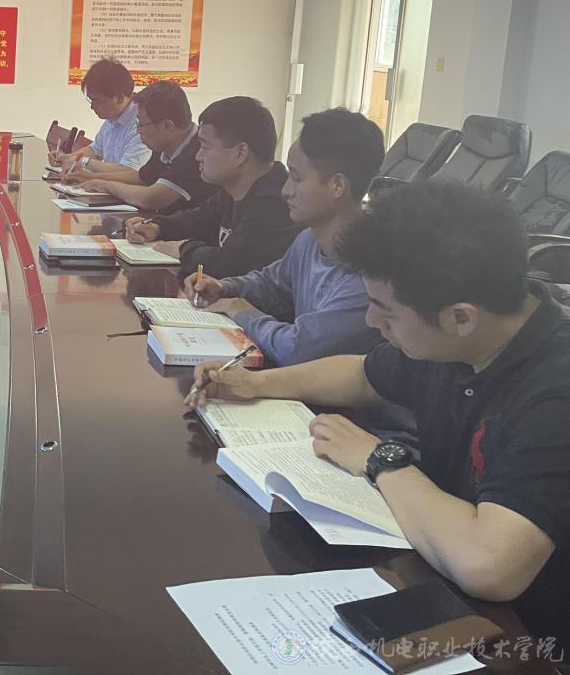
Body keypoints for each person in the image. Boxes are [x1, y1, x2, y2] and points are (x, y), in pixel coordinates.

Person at [185, 181, 570, 646]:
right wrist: (255, 383)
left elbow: (490, 566)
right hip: (445, 576)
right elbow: (362, 375)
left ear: (461, 318)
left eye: (384, 310)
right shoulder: (462, 335)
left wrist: (380, 459)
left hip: (530, 637)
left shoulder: (554, 391)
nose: (370, 321)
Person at [186, 108, 386, 365]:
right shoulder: (309, 239)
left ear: (337, 185)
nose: (285, 190)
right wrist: (225, 287)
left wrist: (241, 310)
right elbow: (272, 283)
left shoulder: (367, 274)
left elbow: (297, 349)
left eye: (297, 179)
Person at [122, 96, 300, 279]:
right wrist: (157, 226)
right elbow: (197, 219)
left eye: (205, 147)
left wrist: (183, 249)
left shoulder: (276, 203)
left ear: (240, 153)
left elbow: (229, 263)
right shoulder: (234, 189)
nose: (198, 156)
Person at [78, 80, 218, 213]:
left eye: (141, 124)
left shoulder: (196, 153)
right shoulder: (164, 147)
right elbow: (142, 179)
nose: (138, 130)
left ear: (167, 126)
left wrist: (106, 186)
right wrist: (91, 177)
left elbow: (150, 198)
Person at [49, 59, 151, 179]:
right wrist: (67, 158)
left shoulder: (142, 123)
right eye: (90, 100)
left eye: (96, 101)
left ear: (119, 98)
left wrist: (84, 162)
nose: (92, 107)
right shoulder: (113, 117)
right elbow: (95, 151)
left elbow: (129, 171)